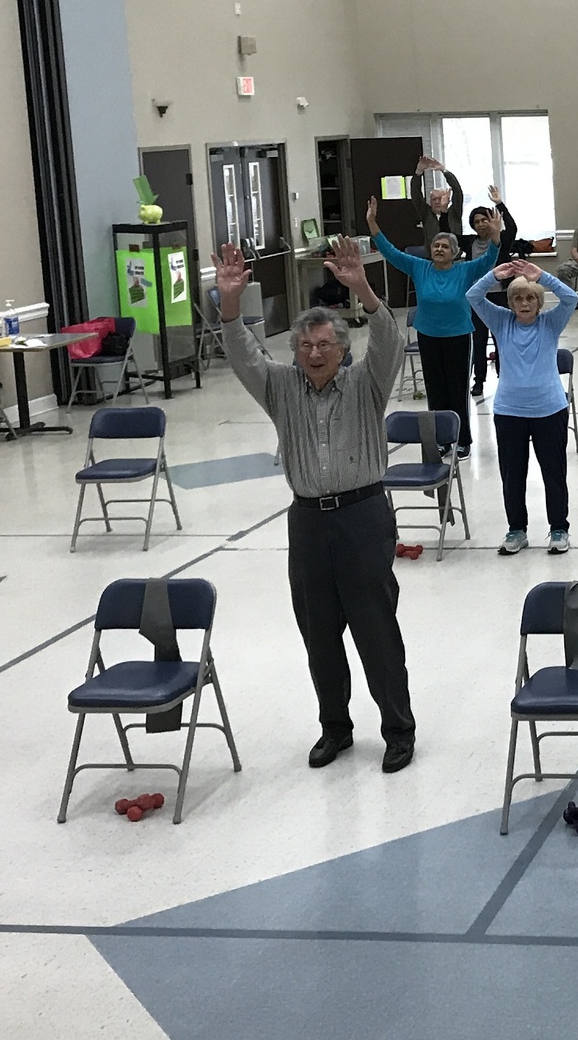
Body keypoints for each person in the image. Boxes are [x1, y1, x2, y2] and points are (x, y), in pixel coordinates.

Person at [214, 235, 416, 774]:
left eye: (325, 344)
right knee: (319, 635)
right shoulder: (279, 388)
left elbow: (390, 341)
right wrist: (230, 301)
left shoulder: (366, 384)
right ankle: (335, 729)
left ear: (342, 348)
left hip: (364, 516)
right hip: (307, 524)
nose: (315, 353)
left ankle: (398, 729)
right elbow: (240, 353)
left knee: (376, 631)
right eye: (306, 346)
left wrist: (363, 290)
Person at [367, 195, 501, 457]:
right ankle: (441, 439)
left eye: (445, 246)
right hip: (428, 335)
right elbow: (390, 252)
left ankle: (462, 440)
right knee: (435, 389)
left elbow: (489, 262)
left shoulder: (464, 270)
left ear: (455, 253)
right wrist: (373, 224)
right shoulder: (419, 267)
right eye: (435, 246)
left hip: (459, 336)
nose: (439, 249)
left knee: (456, 389)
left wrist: (496, 237)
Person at [467, 260, 577, 554]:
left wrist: (542, 277)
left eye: (530, 298)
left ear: (539, 303)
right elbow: (472, 297)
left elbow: (571, 298)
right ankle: (517, 529)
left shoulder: (550, 323)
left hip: (549, 410)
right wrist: (494, 276)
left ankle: (558, 529)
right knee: (512, 475)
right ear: (511, 303)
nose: (524, 303)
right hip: (509, 412)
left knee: (554, 473)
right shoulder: (501, 321)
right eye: (518, 297)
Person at [461, 185, 518, 399]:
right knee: (478, 340)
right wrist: (446, 210)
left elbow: (512, 228)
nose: (481, 224)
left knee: (501, 338)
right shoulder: (469, 243)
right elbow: (447, 230)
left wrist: (499, 203)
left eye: (484, 219)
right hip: (478, 299)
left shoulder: (501, 240)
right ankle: (479, 381)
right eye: (477, 222)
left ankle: (505, 379)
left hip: (499, 296)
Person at [411, 155, 463, 239]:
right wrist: (418, 172)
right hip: (433, 252)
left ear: (447, 199)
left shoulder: (454, 213)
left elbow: (457, 191)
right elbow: (415, 194)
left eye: (440, 198)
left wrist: (444, 170)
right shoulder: (426, 214)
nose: (437, 202)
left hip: (455, 251)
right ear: (430, 202)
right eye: (434, 199)